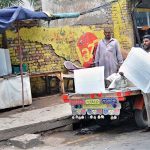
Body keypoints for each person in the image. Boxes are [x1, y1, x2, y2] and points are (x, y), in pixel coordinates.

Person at [141, 35, 150, 131]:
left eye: (146, 41)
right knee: (147, 105)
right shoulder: (142, 54)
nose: (144, 43)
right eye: (144, 41)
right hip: (144, 83)